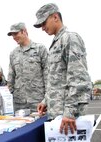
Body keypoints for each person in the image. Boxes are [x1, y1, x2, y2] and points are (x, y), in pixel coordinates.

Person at [34, 3, 92, 135]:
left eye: (44, 23)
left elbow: (79, 79)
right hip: (58, 115)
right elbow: (56, 80)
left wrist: (70, 112)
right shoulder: (55, 44)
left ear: (55, 17)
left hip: (68, 118)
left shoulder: (69, 38)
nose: (42, 28)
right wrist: (46, 100)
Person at [7, 22, 48, 113]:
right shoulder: (13, 54)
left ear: (24, 31)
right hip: (19, 103)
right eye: (12, 35)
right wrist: (11, 95)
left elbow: (48, 75)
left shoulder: (40, 49)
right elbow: (11, 77)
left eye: (16, 33)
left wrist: (46, 99)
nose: (14, 37)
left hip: (38, 102)